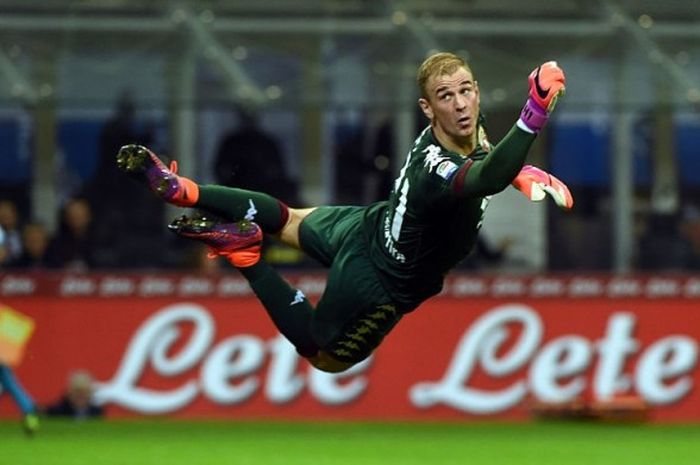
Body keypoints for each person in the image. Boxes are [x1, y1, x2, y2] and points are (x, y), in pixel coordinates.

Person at [117, 52, 571, 373]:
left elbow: (488, 163)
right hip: (383, 281)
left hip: (367, 223)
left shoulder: (469, 129)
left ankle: (182, 189)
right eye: (445, 96)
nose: (458, 103)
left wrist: (519, 170)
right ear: (426, 109)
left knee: (289, 219)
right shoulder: (437, 164)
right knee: (324, 357)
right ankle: (248, 256)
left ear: (476, 93)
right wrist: (533, 113)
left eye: (465, 91)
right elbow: (480, 178)